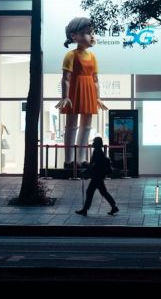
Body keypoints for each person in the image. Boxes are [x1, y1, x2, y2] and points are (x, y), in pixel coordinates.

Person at [54, 17, 108, 168]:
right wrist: (65, 96)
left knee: (87, 125)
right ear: (74, 36)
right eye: (87, 33)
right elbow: (66, 77)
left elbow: (95, 79)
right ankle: (69, 160)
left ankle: (81, 159)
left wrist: (98, 97)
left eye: (92, 33)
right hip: (75, 91)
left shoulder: (93, 57)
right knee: (71, 125)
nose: (92, 36)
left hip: (89, 90)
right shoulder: (71, 55)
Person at [75, 137, 119, 217]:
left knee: (90, 191)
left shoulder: (98, 152)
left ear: (97, 144)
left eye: (94, 142)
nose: (93, 143)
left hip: (97, 176)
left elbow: (94, 165)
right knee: (103, 192)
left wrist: (86, 165)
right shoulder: (98, 151)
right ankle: (114, 207)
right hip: (98, 176)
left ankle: (85, 210)